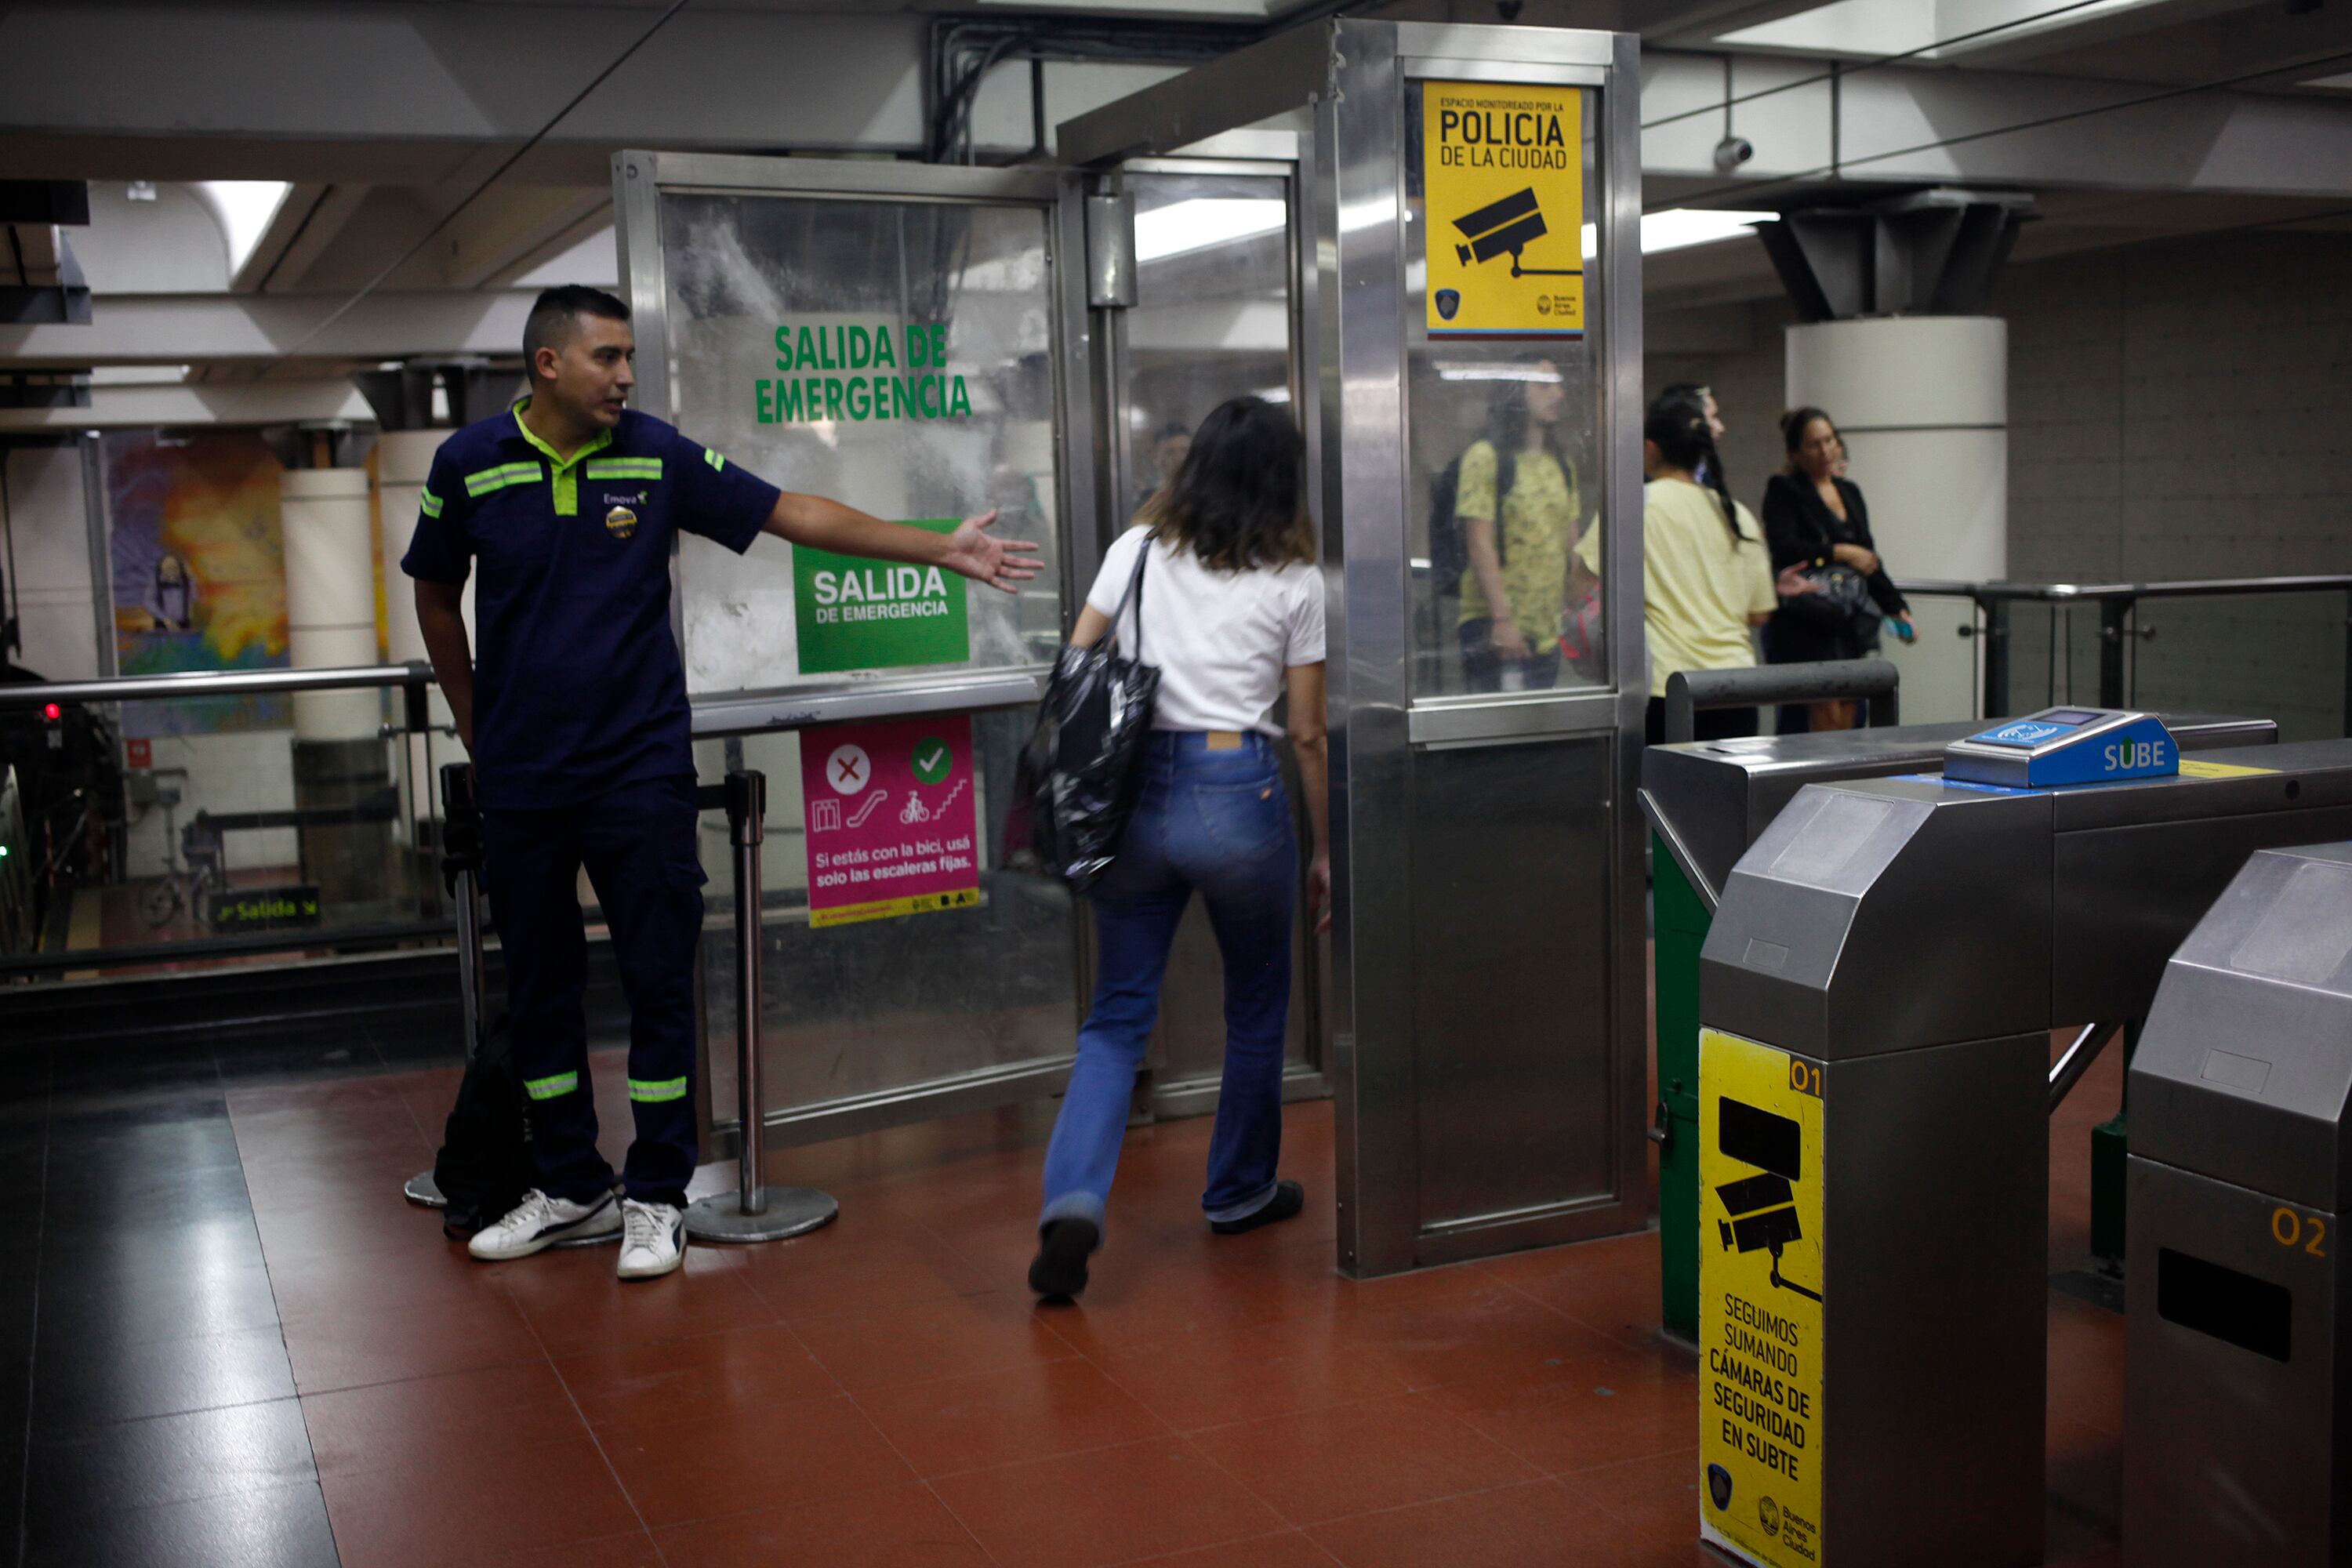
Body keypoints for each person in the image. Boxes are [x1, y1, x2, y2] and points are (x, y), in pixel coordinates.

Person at [403, 285, 1036, 1280]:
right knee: (540, 988)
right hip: (524, 778)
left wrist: (937, 547)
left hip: (638, 769)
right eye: (608, 357)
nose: (626, 375)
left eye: (629, 357)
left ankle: (658, 1193)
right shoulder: (468, 464)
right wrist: (477, 724)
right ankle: (569, 1183)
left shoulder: (655, 455)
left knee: (659, 981)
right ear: (548, 364)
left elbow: (793, 511)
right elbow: (435, 595)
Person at [1029, 396, 1329, 1301]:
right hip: (1240, 790)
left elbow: (1077, 661)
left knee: (1117, 1015)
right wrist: (1324, 847)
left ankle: (1073, 1198)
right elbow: (1307, 732)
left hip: (1134, 794)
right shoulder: (1296, 578)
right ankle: (1238, 1190)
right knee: (1256, 1005)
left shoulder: (1135, 550)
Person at [1573, 390, 1813, 743]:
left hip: (1665, 686)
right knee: (1726, 781)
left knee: (1664, 781)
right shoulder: (1736, 515)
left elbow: (1580, 586)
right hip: (1736, 688)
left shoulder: (1634, 507)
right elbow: (1759, 613)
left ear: (1651, 449)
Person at [1759, 408, 1912, 732]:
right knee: (1822, 713)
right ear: (1796, 453)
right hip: (1807, 617)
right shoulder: (1784, 489)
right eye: (1814, 444)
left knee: (1850, 711)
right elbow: (1785, 547)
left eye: (1830, 441)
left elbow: (1868, 558)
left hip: (1846, 618)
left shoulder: (1849, 492)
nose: (1826, 451)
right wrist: (1837, 552)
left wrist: (1896, 606)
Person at [1456, 359, 1581, 692]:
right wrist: (1502, 620)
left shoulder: (1561, 463)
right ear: (1516, 392)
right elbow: (1479, 543)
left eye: (1558, 384)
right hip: (1496, 626)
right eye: (1543, 385)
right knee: (1497, 722)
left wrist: (1574, 609)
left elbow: (1572, 542)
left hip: (1547, 629)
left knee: (1539, 721)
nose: (1557, 394)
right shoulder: (1486, 457)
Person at [1135, 420, 1191, 515]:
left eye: (1185, 450)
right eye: (1170, 452)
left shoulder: (1204, 496)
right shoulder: (1147, 502)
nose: (1179, 458)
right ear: (1156, 457)